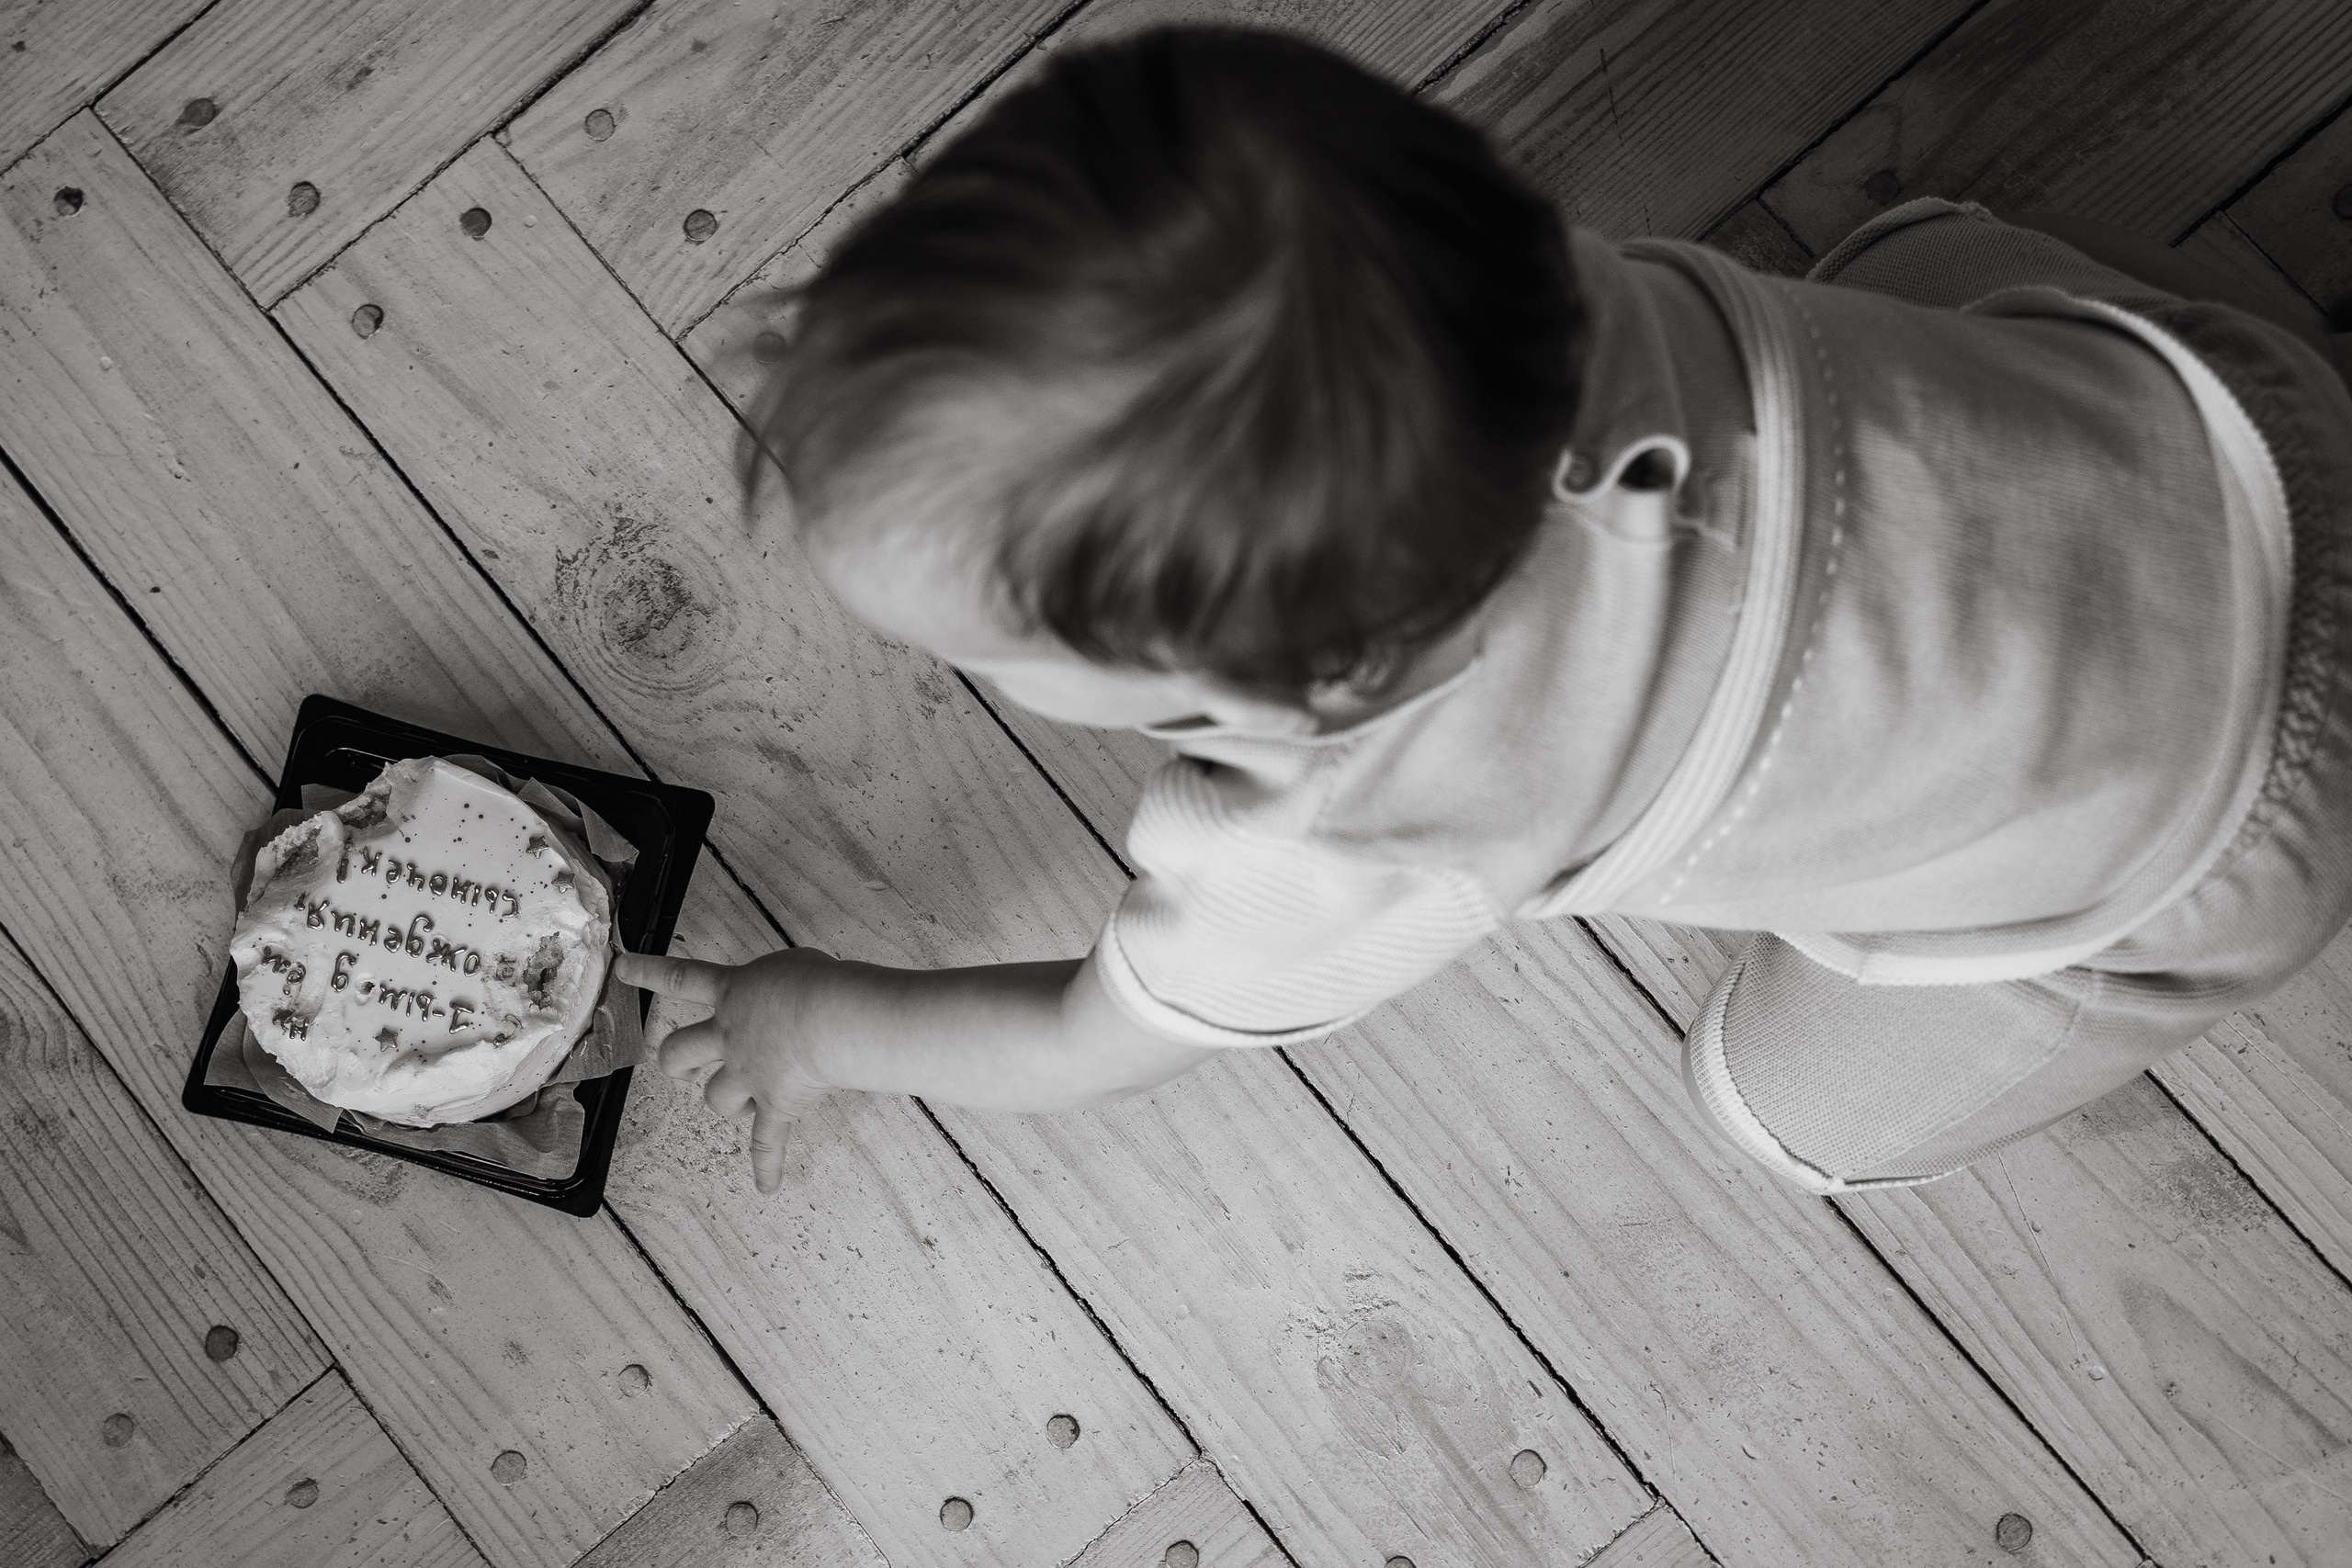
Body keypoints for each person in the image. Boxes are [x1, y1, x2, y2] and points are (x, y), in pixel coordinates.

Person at [618, 26, 2352, 1198]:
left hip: (2199, 851)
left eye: (979, 656)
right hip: (2237, 434)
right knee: (1899, 268)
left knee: (1776, 1116)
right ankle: (1937, 269)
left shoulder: (1375, 836)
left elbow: (1091, 1039)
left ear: (1298, 700)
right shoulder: (1498, 274)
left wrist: (818, 1017)